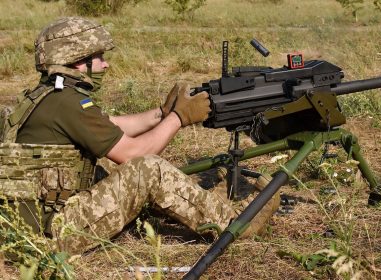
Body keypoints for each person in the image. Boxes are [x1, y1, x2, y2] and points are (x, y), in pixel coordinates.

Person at [0, 17, 279, 255]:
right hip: (51, 236)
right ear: (76, 61)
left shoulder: (49, 97)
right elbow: (135, 154)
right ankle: (233, 223)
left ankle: (203, 206)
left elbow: (109, 126)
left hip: (28, 227)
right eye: (99, 57)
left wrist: (162, 113)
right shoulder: (69, 103)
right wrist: (179, 118)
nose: (105, 65)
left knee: (107, 166)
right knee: (147, 170)